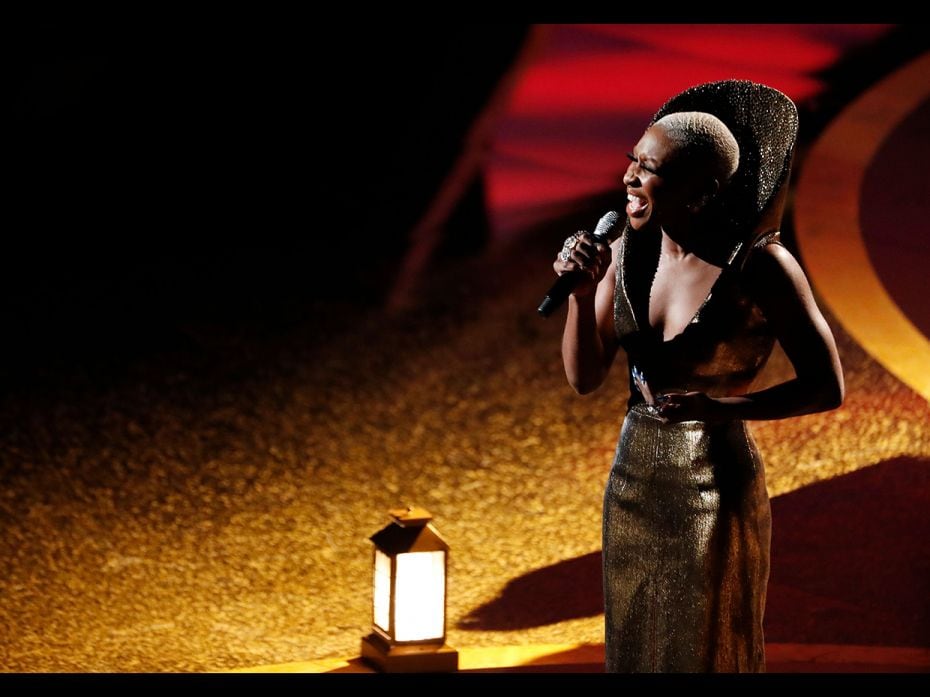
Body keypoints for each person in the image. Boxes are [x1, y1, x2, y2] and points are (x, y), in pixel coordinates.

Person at [551, 81, 844, 672]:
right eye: (633, 160)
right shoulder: (628, 252)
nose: (630, 177)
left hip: (714, 480)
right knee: (635, 637)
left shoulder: (761, 266)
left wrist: (725, 408)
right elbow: (585, 378)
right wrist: (582, 298)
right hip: (633, 474)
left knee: (703, 645)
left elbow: (826, 386)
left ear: (702, 192)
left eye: (650, 168)